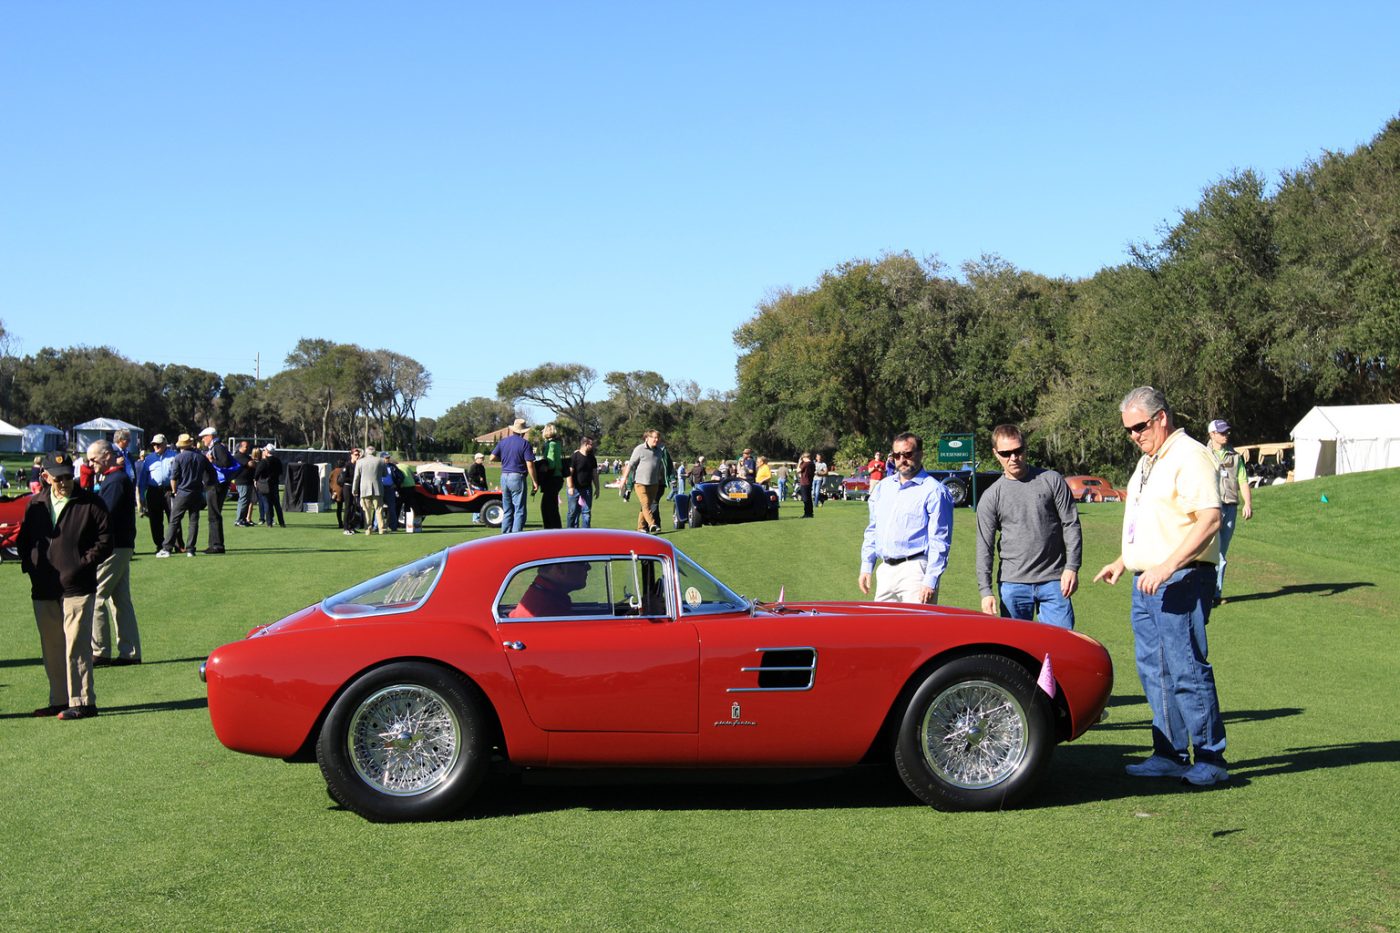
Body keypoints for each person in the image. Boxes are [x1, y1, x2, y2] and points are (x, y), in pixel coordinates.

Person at [1093, 386, 1227, 787]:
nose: (1133, 435)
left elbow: (1209, 519)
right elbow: (1151, 520)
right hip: (1146, 580)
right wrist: (1123, 561)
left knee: (1187, 669)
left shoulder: (1190, 456)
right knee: (1155, 670)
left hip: (1181, 578)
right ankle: (1169, 753)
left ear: (1161, 418)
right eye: (1128, 430)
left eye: (1139, 426)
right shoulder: (1149, 461)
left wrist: (1167, 565)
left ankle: (1210, 759)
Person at [18, 452, 112, 720]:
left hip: (77, 587)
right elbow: (25, 540)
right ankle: (59, 700)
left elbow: (106, 541)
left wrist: (81, 565)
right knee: (52, 647)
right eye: (59, 478)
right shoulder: (35, 503)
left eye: (69, 476)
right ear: (45, 477)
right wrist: (31, 566)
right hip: (44, 588)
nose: (65, 482)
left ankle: (83, 702)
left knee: (77, 645)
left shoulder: (91, 502)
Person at [975, 424, 1082, 628]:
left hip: (1054, 581)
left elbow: (1071, 524)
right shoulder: (991, 496)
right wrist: (985, 592)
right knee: (1017, 652)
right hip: (1013, 585)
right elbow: (984, 547)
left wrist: (1072, 567)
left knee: (1060, 648)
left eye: (1018, 451)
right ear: (996, 454)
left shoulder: (1051, 480)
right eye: (1006, 453)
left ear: (1025, 448)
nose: (1013, 458)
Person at [858, 432, 955, 604]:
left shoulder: (934, 491)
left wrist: (930, 579)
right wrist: (867, 566)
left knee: (917, 630)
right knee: (881, 629)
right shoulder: (883, 488)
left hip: (916, 571)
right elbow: (873, 529)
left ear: (920, 454)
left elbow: (940, 540)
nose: (902, 459)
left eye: (907, 454)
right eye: (896, 455)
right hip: (886, 569)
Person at [87, 441, 142, 665]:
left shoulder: (116, 480)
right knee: (120, 600)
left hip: (114, 546)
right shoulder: (114, 479)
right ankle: (130, 652)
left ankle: (100, 651)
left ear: (107, 455)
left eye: (93, 459)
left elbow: (103, 515)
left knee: (96, 597)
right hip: (122, 544)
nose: (91, 464)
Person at [1206, 419, 1253, 606]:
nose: (1226, 435)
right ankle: (1205, 592)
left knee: (1221, 554)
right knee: (1208, 551)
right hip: (1210, 508)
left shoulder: (1235, 456)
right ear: (1212, 435)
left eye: (1226, 432)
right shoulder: (1203, 454)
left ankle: (1216, 594)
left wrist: (1247, 503)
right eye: (1222, 432)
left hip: (1230, 507)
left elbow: (1243, 481)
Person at [158, 433, 207, 558]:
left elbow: (173, 477)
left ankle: (167, 548)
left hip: (183, 492)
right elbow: (210, 473)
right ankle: (191, 549)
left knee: (174, 520)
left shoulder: (179, 458)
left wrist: (174, 491)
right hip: (196, 492)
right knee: (194, 521)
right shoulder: (200, 457)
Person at [490, 418, 539, 534]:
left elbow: (492, 457)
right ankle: (516, 537)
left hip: (504, 476)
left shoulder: (503, 442)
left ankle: (505, 536)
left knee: (507, 509)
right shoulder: (525, 444)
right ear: (523, 432)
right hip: (517, 476)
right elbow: (530, 464)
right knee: (519, 510)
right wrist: (535, 481)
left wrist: (503, 459)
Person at [620, 429, 672, 535]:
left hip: (654, 484)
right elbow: (630, 465)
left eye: (658, 438)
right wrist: (624, 479)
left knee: (646, 505)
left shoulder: (659, 451)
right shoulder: (639, 449)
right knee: (645, 505)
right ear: (647, 438)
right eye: (654, 437)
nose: (656, 440)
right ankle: (652, 524)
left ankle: (640, 527)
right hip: (640, 483)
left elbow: (665, 466)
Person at [137, 434, 180, 552]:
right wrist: (141, 495)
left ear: (165, 444)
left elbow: (179, 474)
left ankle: (177, 544)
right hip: (153, 491)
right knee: (155, 520)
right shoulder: (149, 459)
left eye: (158, 444)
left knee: (173, 518)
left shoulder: (174, 456)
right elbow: (143, 479)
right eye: (154, 444)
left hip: (169, 490)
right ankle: (160, 545)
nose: (156, 446)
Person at [507, 561, 591, 618]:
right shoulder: (547, 609)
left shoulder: (542, 595)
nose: (588, 567)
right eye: (582, 563)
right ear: (559, 568)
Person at [198, 427, 234, 554]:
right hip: (214, 485)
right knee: (213, 515)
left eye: (204, 437)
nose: (203, 440)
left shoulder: (218, 447)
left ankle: (217, 545)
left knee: (214, 515)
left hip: (216, 485)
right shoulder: (216, 447)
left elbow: (224, 463)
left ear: (210, 436)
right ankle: (213, 544)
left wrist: (212, 461)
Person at [567, 436, 601, 528]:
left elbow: (595, 474)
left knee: (586, 513)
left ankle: (585, 534)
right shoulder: (575, 456)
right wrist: (570, 487)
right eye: (591, 444)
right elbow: (569, 473)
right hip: (575, 488)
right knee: (573, 512)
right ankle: (569, 533)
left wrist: (597, 488)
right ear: (586, 444)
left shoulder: (592, 458)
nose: (592, 446)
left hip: (587, 489)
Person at [352, 444, 387, 535]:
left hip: (364, 489)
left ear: (366, 452)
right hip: (378, 488)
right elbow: (385, 474)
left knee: (367, 510)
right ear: (374, 452)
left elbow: (356, 477)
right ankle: (381, 529)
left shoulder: (360, 462)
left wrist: (354, 489)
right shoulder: (381, 461)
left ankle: (368, 529)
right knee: (379, 509)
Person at [537, 424, 566, 529]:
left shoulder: (550, 445)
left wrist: (541, 467)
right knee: (552, 506)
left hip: (552, 478)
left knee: (546, 507)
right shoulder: (558, 443)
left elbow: (551, 463)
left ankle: (551, 530)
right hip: (558, 477)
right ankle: (555, 529)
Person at [257, 445, 286, 527]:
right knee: (277, 505)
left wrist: (257, 479)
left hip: (265, 485)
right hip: (275, 484)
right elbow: (280, 472)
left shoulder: (264, 461)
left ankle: (269, 523)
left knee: (267, 504)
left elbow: (257, 472)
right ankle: (282, 522)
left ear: (266, 451)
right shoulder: (277, 461)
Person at [232, 439, 255, 526]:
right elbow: (251, 464)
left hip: (248, 481)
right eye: (246, 447)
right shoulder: (239, 456)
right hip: (242, 481)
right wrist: (252, 463)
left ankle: (244, 519)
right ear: (241, 447)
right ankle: (238, 520)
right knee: (243, 500)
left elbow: (252, 463)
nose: (248, 448)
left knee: (247, 501)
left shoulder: (246, 456)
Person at [340, 448, 364, 535]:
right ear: (351, 455)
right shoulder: (347, 465)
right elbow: (342, 479)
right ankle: (346, 528)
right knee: (348, 507)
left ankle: (351, 526)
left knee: (354, 508)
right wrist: (353, 480)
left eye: (358, 455)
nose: (357, 456)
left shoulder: (358, 465)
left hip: (356, 488)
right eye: (355, 455)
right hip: (348, 487)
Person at [797, 452, 815, 517]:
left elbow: (798, 470)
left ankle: (807, 513)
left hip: (804, 482)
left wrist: (799, 462)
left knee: (805, 499)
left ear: (805, 457)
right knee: (809, 498)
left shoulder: (806, 464)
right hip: (809, 482)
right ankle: (810, 513)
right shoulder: (812, 463)